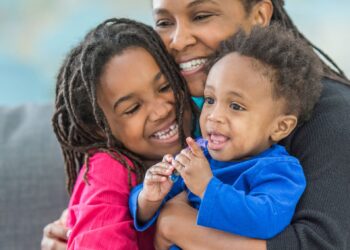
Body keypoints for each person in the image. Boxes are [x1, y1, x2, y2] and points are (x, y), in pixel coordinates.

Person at [42, 0, 350, 249]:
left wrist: (179, 228)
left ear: (258, 15)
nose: (178, 40)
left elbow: (321, 242)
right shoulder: (194, 113)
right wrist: (86, 223)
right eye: (164, 22)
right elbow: (120, 208)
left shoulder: (331, 114)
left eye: (201, 15)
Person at [131, 23, 322, 248]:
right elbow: (149, 203)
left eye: (236, 106)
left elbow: (265, 221)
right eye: (210, 100)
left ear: (280, 127)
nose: (214, 116)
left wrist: (206, 187)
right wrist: (149, 196)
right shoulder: (199, 154)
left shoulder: (279, 171)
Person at [48, 17, 197, 250]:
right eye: (132, 109)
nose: (160, 111)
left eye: (165, 87)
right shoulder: (108, 168)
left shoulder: (209, 134)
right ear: (98, 127)